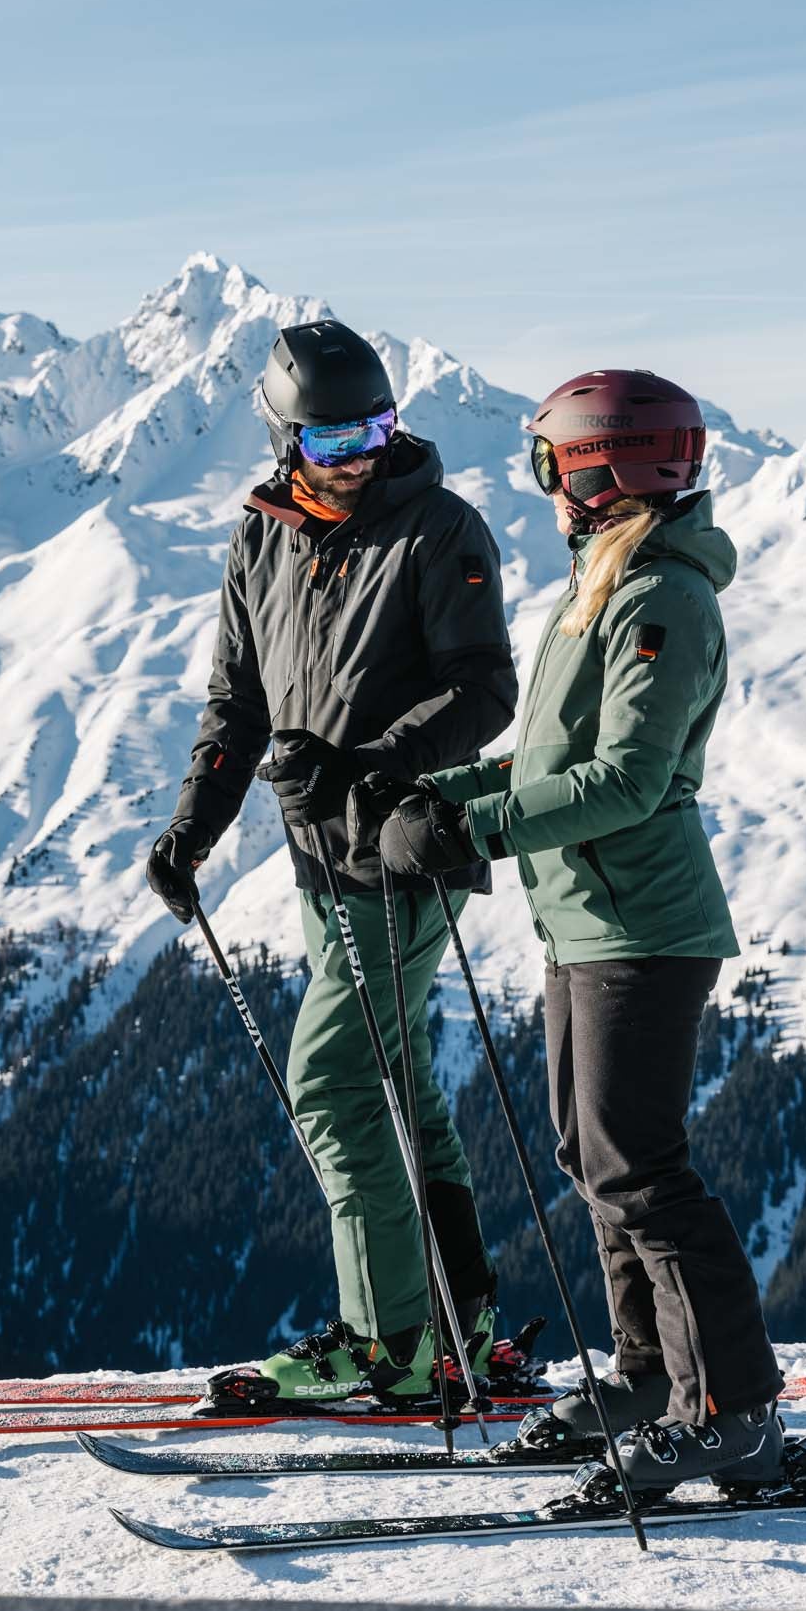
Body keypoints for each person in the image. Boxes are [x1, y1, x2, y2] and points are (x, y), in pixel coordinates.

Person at [380, 367, 785, 1495]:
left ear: (603, 470)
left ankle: (736, 1409)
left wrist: (475, 831)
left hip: (640, 926)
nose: (542, 483)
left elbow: (624, 778)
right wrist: (432, 790)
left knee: (640, 1171)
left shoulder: (659, 599)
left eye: (550, 462)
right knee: (594, 1160)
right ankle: (654, 1378)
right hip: (582, 921)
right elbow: (549, 753)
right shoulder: (600, 585)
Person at [145, 319, 519, 1403]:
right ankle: (457, 1316)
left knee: (331, 1080)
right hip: (318, 865)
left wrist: (359, 766)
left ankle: (388, 1340)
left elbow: (484, 691)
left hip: (398, 853)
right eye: (330, 437)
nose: (356, 454)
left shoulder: (439, 530)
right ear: (282, 438)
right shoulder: (262, 537)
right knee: (396, 1079)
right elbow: (240, 704)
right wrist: (189, 832)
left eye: (375, 427)